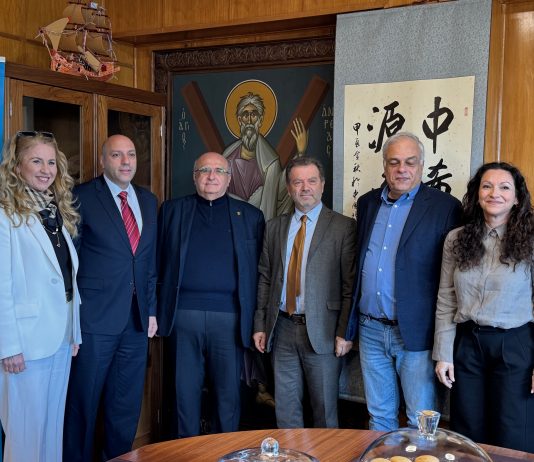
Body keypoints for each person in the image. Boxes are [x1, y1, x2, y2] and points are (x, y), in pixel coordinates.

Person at [345, 132, 462, 431]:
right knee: (379, 416)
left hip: (416, 333)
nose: (402, 169)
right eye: (394, 162)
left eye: (410, 162)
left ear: (422, 165)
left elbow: (453, 276)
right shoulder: (368, 203)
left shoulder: (445, 207)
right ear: (384, 166)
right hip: (371, 329)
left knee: (420, 420)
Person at [63, 134, 158, 461]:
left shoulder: (148, 200)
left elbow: (148, 261)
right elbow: (68, 262)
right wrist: (71, 321)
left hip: (136, 322)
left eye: (131, 154)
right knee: (84, 403)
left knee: (125, 405)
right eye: (117, 155)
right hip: (94, 320)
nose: (126, 161)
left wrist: (151, 310)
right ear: (103, 160)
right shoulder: (81, 197)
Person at [157, 152, 265, 437]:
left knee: (228, 395)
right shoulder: (171, 211)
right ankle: (186, 453)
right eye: (204, 170)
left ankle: (223, 451)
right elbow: (156, 263)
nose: (212, 176)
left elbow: (261, 273)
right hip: (182, 316)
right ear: (195, 177)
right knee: (183, 393)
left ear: (229, 179)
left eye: (219, 171)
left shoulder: (251, 217)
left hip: (230, 318)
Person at [433, 162, 534, 452]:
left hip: (515, 345)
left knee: (512, 433)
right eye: (487, 186)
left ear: (517, 198)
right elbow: (446, 297)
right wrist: (443, 354)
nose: (494, 193)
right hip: (468, 344)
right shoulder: (457, 239)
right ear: (477, 195)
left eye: (505, 187)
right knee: (467, 433)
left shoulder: (530, 239)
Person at [253, 156, 356, 428]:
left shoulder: (343, 227)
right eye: (297, 182)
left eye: (311, 181)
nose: (305, 187)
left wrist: (345, 331)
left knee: (325, 411)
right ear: (288, 188)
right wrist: (260, 325)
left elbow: (350, 286)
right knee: (285, 410)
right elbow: (265, 278)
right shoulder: (274, 227)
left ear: (322, 185)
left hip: (324, 331)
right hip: (282, 328)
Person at [0, 131, 81, 462]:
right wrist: (8, 346)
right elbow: (1, 285)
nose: (46, 170)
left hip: (59, 337)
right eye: (36, 161)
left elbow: (67, 278)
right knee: (25, 435)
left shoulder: (52, 211)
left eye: (51, 162)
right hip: (25, 343)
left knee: (51, 429)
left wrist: (74, 331)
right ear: (17, 167)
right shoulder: (5, 215)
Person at [223, 92, 308, 220]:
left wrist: (300, 154)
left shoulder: (270, 162)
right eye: (245, 115)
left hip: (258, 223)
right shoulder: (227, 157)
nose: (249, 121)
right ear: (240, 120)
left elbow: (279, 192)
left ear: (260, 120)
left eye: (254, 115)